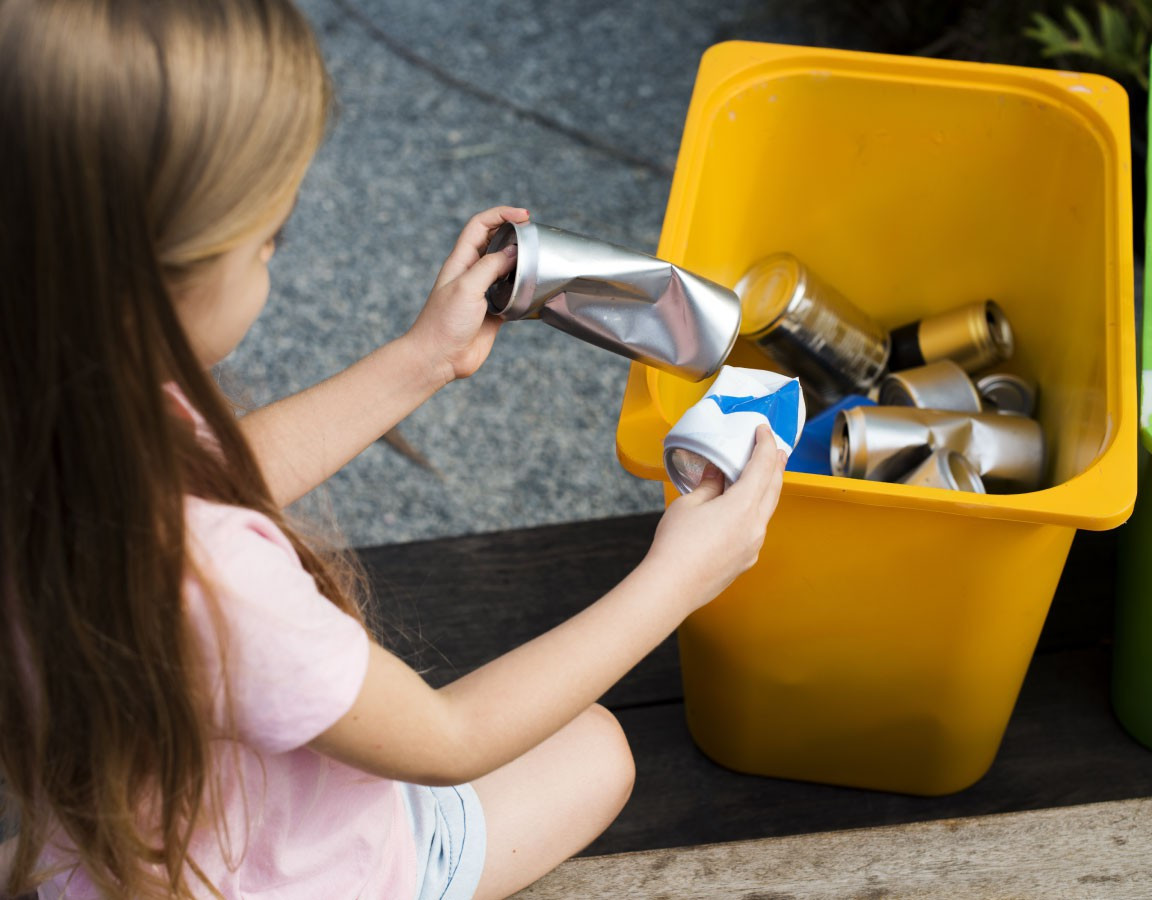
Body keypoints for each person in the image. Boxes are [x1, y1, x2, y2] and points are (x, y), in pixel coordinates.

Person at [0, 0, 786, 897]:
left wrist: (423, 360)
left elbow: (219, 476)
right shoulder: (213, 583)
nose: (275, 261)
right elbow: (449, 740)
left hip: (124, 827)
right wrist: (680, 578)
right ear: (152, 277)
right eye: (269, 241)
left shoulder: (57, 396)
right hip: (296, 870)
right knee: (600, 751)